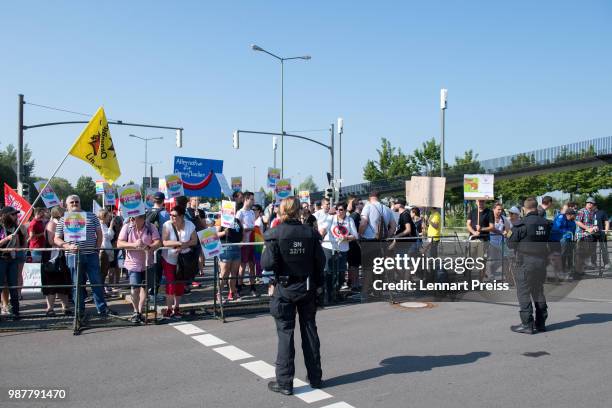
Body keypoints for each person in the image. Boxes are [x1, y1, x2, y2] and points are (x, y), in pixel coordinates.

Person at [262, 197, 325, 395]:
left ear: (281, 211)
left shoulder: (274, 233)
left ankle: (285, 382)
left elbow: (267, 264)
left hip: (285, 288)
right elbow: (320, 263)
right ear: (299, 210)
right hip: (307, 287)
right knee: (309, 332)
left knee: (285, 334)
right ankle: (315, 378)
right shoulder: (311, 233)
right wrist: (319, 287)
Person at [54, 195, 116, 318]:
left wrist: (96, 249)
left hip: (91, 254)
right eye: (71, 202)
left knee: (96, 282)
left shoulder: (91, 215)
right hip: (73, 255)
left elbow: (99, 233)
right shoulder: (63, 219)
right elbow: (56, 238)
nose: (75, 203)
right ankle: (79, 311)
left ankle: (102, 309)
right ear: (67, 205)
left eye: (77, 201)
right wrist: (67, 246)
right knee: (77, 284)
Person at [507, 197, 551, 334]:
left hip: (525, 262)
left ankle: (527, 324)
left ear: (524, 209)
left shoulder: (522, 224)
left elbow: (510, 244)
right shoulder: (546, 223)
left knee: (524, 292)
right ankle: (541, 323)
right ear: (536, 207)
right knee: (538, 291)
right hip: (541, 262)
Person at [117, 214, 161, 323]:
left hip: (148, 263)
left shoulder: (151, 227)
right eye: (131, 217)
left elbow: (158, 242)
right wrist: (134, 245)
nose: (131, 219)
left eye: (134, 218)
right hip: (133, 264)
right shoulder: (127, 227)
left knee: (145, 288)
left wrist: (149, 247)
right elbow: (119, 243)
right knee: (134, 288)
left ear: (142, 218)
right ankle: (135, 311)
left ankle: (140, 311)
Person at [161, 206, 198, 318]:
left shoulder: (190, 225)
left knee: (180, 283)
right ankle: (169, 309)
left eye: (174, 215)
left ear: (182, 216)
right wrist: (178, 243)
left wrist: (182, 246)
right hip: (169, 258)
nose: (171, 217)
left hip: (183, 258)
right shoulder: (167, 225)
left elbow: (194, 240)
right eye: (170, 215)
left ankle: (177, 308)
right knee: (170, 283)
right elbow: (164, 242)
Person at [319, 201, 358, 303]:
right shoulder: (331, 218)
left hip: (343, 248)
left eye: (341, 210)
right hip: (328, 247)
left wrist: (347, 237)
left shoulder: (349, 220)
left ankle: (336, 291)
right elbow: (323, 229)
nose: (338, 212)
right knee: (328, 271)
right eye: (337, 209)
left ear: (345, 210)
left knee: (341, 272)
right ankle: (328, 293)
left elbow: (355, 235)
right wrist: (321, 235)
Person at [41, 206, 72, 316]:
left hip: (62, 256)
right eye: (64, 212)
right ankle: (50, 308)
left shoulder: (62, 223)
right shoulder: (52, 224)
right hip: (52, 258)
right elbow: (51, 240)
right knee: (51, 283)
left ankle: (65, 306)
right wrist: (66, 242)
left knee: (63, 282)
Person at [0, 206, 24, 319]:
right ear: (6, 215)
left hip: (12, 260)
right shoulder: (0, 226)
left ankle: (16, 311)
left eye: (16, 214)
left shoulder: (16, 227)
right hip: (1, 259)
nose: (16, 216)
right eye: (13, 214)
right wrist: (7, 239)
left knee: (13, 285)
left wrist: (16, 247)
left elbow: (18, 245)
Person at [146, 192, 170, 300]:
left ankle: (148, 292)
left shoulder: (147, 211)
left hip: (148, 245)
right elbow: (167, 230)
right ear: (163, 200)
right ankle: (153, 294)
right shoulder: (165, 214)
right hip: (159, 245)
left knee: (149, 268)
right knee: (158, 269)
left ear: (153, 201)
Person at [216, 214, 243, 302]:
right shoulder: (221, 220)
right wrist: (224, 232)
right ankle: (219, 293)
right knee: (224, 273)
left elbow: (241, 232)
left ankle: (232, 292)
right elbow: (214, 234)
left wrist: (242, 241)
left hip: (237, 248)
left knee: (234, 273)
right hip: (225, 248)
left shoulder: (237, 220)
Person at [466, 200, 494, 280]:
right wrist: (474, 232)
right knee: (469, 259)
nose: (481, 203)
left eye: (482, 201)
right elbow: (468, 224)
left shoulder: (489, 212)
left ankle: (480, 279)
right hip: (473, 239)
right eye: (479, 201)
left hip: (484, 240)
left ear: (485, 202)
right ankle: (469, 279)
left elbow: (491, 227)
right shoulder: (472, 212)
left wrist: (482, 228)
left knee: (481, 261)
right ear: (476, 202)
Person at [236, 192, 257, 297]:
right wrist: (249, 229)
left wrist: (254, 230)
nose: (253, 201)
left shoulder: (252, 212)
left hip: (252, 242)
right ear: (246, 199)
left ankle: (252, 287)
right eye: (252, 199)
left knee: (252, 265)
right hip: (244, 243)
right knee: (242, 266)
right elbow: (236, 229)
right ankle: (239, 287)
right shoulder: (239, 213)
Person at [575, 197, 598, 275]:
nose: (591, 205)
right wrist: (588, 228)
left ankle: (581, 270)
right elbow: (578, 222)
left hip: (589, 235)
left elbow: (593, 222)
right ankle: (578, 271)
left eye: (592, 204)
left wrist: (595, 227)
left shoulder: (593, 212)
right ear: (587, 203)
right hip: (581, 235)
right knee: (580, 253)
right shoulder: (581, 211)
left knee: (586, 253)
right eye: (590, 203)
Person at [488, 202, 512, 280]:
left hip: (502, 242)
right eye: (498, 209)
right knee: (494, 260)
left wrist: (507, 235)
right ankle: (491, 275)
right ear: (493, 209)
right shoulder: (489, 218)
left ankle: (508, 277)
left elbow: (510, 230)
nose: (500, 211)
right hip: (491, 242)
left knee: (505, 259)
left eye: (501, 210)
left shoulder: (503, 218)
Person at [551, 208, 577, 274]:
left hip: (569, 238)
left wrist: (573, 237)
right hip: (559, 238)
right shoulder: (561, 217)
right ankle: (561, 269)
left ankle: (570, 268)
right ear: (569, 215)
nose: (575, 217)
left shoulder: (571, 220)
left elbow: (573, 228)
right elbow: (556, 228)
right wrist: (567, 232)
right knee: (563, 253)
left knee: (570, 253)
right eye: (574, 215)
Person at [97, 209, 115, 295]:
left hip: (106, 250)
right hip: (103, 250)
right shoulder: (100, 225)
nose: (109, 218)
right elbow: (108, 236)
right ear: (104, 216)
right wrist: (111, 226)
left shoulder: (104, 225)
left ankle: (102, 289)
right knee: (102, 272)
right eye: (108, 216)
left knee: (104, 271)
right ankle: (101, 290)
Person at [346, 197, 362, 291]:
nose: (362, 205)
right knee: (353, 265)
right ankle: (353, 284)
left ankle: (356, 283)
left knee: (355, 265)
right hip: (352, 244)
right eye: (360, 203)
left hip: (356, 244)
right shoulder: (354, 216)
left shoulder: (357, 215)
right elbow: (353, 231)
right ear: (356, 205)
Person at [592, 203, 610, 269]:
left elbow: (606, 222)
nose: (591, 206)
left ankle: (606, 263)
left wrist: (606, 230)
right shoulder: (590, 213)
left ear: (595, 206)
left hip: (602, 233)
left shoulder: (602, 212)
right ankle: (593, 263)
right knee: (592, 249)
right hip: (593, 233)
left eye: (592, 205)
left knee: (604, 248)